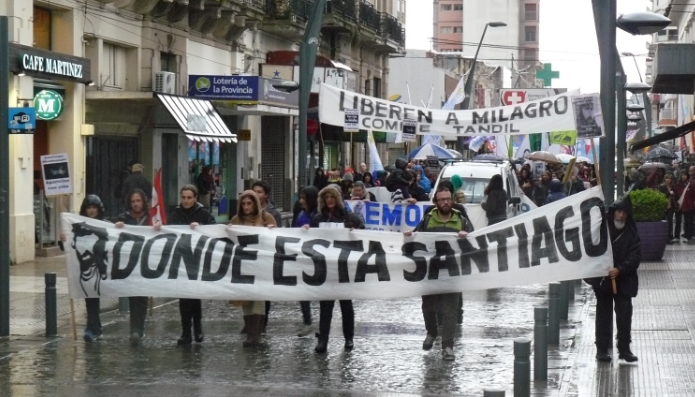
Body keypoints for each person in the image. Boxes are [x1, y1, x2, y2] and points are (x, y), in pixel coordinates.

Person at [404, 186, 473, 361]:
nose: (445, 202)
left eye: (448, 199)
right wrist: (410, 235)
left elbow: (475, 240)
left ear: (452, 200)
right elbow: (417, 235)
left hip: (453, 271)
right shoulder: (428, 219)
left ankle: (448, 346)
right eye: (442, 199)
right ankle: (432, 331)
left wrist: (468, 236)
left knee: (450, 310)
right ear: (436, 202)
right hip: (431, 271)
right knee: (428, 307)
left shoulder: (461, 220)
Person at [306, 186, 365, 353]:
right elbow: (309, 238)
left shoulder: (349, 217)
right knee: (326, 306)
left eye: (332, 197)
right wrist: (305, 231)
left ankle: (349, 338)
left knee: (346, 305)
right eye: (326, 198)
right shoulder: (318, 218)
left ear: (337, 199)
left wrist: (356, 232)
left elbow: (364, 233)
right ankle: (323, 340)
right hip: (325, 268)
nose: (329, 200)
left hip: (344, 268)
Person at [584, 196, 640, 363]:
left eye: (624, 213)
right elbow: (592, 249)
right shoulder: (603, 229)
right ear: (613, 212)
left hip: (624, 281)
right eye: (618, 212)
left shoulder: (631, 231)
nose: (621, 216)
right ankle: (602, 349)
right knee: (603, 316)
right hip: (604, 281)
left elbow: (635, 255)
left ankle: (624, 349)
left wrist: (620, 269)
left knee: (624, 315)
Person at [167, 184, 216, 345]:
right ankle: (186, 331)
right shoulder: (175, 214)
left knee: (195, 296)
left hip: (198, 260)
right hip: (180, 261)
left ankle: (198, 327)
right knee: (184, 297)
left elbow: (214, 230)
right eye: (183, 197)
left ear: (195, 198)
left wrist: (201, 229)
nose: (186, 201)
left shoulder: (204, 214)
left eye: (189, 198)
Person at [230, 190, 277, 347]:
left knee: (258, 300)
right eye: (243, 204)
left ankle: (256, 335)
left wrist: (271, 230)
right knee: (246, 300)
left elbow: (277, 238)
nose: (246, 207)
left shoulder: (265, 217)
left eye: (249, 203)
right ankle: (249, 333)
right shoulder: (236, 220)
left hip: (261, 264)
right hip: (243, 264)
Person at [59, 195, 108, 342]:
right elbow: (68, 246)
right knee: (91, 297)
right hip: (86, 268)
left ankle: (94, 327)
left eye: (94, 207)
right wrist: (63, 240)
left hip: (102, 266)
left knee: (94, 295)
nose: (92, 211)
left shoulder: (106, 225)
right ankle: (93, 327)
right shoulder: (78, 227)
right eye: (89, 207)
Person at [114, 188, 158, 345]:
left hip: (147, 262)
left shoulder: (151, 218)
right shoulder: (124, 218)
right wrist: (117, 227)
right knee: (133, 295)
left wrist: (158, 227)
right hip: (130, 263)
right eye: (133, 201)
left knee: (142, 296)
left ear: (143, 201)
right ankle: (135, 328)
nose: (136, 204)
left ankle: (138, 328)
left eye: (138, 201)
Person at [292, 186, 319, 337]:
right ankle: (307, 321)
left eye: (304, 198)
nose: (301, 201)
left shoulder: (318, 215)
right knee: (303, 291)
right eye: (300, 198)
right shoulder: (300, 214)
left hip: (317, 258)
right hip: (302, 256)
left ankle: (320, 324)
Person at [674, 172, 694, 243]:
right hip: (679, 205)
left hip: (688, 205)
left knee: (688, 221)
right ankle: (676, 236)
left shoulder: (690, 185)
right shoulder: (677, 185)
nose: (683, 176)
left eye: (685, 175)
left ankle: (688, 236)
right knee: (678, 221)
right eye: (682, 175)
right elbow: (676, 195)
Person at [659, 173, 677, 244]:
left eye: (670, 178)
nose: (668, 180)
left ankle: (670, 236)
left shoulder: (672, 187)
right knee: (664, 221)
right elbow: (662, 195)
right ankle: (664, 237)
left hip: (670, 206)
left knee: (670, 221)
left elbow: (676, 195)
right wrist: (670, 193)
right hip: (664, 206)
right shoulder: (661, 187)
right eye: (667, 178)